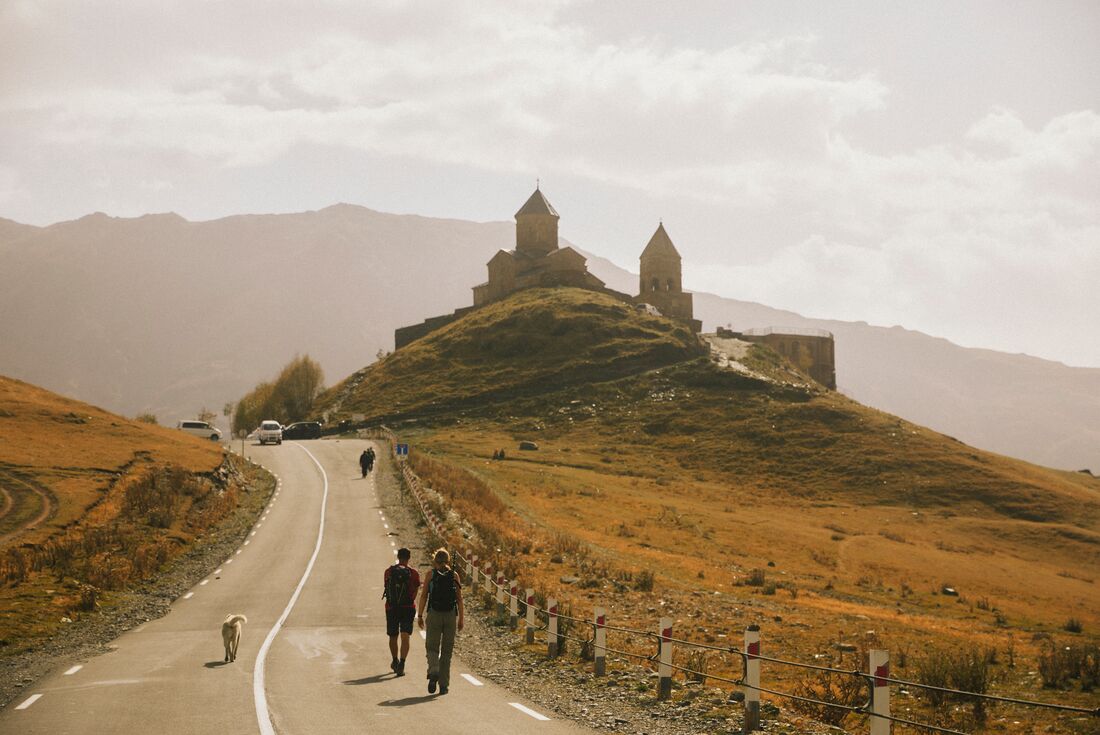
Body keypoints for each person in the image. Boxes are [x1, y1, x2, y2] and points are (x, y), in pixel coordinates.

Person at [416, 547, 464, 695]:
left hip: (434, 614)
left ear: (435, 560)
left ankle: (434, 670)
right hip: (450, 615)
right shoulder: (454, 575)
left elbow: (424, 596)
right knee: (447, 652)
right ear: (448, 560)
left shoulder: (431, 574)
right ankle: (443, 685)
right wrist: (461, 618)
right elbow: (459, 599)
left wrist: (420, 615)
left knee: (432, 647)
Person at [383, 547, 420, 676]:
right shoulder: (414, 573)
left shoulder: (388, 571)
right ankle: (402, 663)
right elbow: (415, 592)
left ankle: (394, 660)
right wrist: (409, 600)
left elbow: (387, 589)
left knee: (393, 636)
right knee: (405, 636)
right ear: (409, 558)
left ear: (398, 557)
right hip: (408, 608)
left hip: (391, 608)